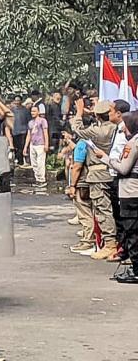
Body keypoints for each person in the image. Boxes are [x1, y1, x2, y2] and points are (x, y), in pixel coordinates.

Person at [71, 99, 119, 260]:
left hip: (98, 175)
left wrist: (79, 113)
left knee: (102, 210)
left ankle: (110, 244)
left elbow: (77, 129)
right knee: (112, 210)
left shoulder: (97, 131)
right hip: (112, 172)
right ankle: (113, 242)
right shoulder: (115, 128)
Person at [94, 111, 138, 282]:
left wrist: (106, 158)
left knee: (132, 231)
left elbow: (124, 168)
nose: (123, 130)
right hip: (132, 191)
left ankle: (136, 269)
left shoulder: (133, 143)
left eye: (125, 126)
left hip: (131, 192)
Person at [107, 99, 131, 260]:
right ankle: (122, 247)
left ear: (119, 113)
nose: (108, 114)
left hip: (123, 175)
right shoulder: (117, 129)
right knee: (118, 214)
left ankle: (125, 250)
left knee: (125, 216)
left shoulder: (127, 132)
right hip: (114, 174)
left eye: (110, 110)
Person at [24, 105, 49, 191]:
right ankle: (37, 179)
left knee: (40, 163)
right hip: (32, 144)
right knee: (34, 163)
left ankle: (42, 180)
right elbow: (28, 135)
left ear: (38, 112)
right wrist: (25, 147)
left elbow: (45, 133)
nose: (32, 113)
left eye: (34, 111)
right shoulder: (30, 122)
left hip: (40, 144)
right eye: (32, 111)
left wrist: (46, 144)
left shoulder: (43, 121)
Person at [10, 96, 30, 166]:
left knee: (22, 146)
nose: (17, 102)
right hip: (15, 131)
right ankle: (18, 161)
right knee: (16, 148)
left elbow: (29, 121)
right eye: (16, 100)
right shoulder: (12, 110)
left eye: (18, 100)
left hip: (23, 131)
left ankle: (22, 161)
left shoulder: (25, 110)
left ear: (21, 101)